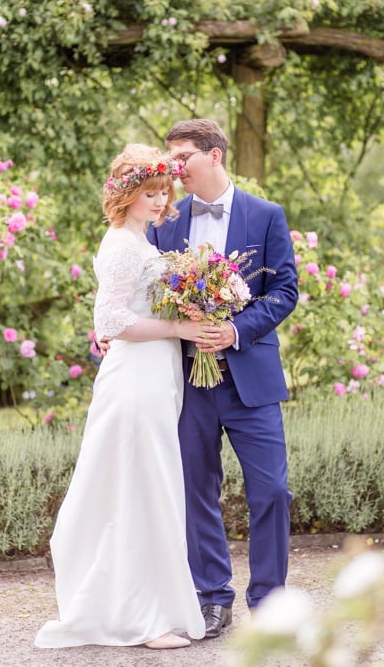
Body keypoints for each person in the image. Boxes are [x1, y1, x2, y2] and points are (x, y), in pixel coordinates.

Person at [35, 144, 206, 650]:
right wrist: (182, 325)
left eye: (162, 193)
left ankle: (147, 608)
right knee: (138, 488)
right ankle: (140, 619)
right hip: (134, 382)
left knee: (149, 486)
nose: (159, 202)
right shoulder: (122, 246)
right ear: (127, 194)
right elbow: (110, 321)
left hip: (154, 377)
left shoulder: (141, 241)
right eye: (150, 193)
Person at [146, 118, 299, 639]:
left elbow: (285, 292)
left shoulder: (266, 215)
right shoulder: (163, 222)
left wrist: (235, 330)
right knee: (196, 491)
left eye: (182, 156)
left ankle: (271, 604)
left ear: (214, 155)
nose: (174, 168)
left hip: (250, 379)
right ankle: (212, 599)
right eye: (170, 158)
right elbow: (143, 295)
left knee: (272, 491)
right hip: (187, 379)